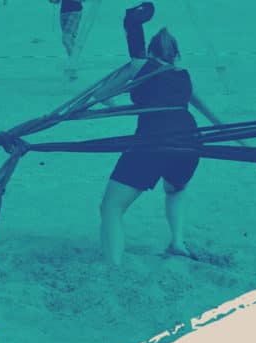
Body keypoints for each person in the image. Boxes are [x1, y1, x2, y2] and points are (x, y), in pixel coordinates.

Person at [96, 3, 224, 267]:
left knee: (111, 207)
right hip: (190, 143)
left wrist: (117, 104)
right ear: (176, 56)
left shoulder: (138, 65)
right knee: (175, 189)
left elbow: (101, 94)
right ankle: (177, 242)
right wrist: (244, 141)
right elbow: (212, 114)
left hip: (152, 142)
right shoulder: (183, 76)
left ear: (151, 52)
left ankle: (113, 267)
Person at [49, 0, 84, 80]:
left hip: (75, 12)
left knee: (66, 39)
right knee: (70, 40)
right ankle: (73, 69)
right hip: (63, 13)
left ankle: (73, 64)